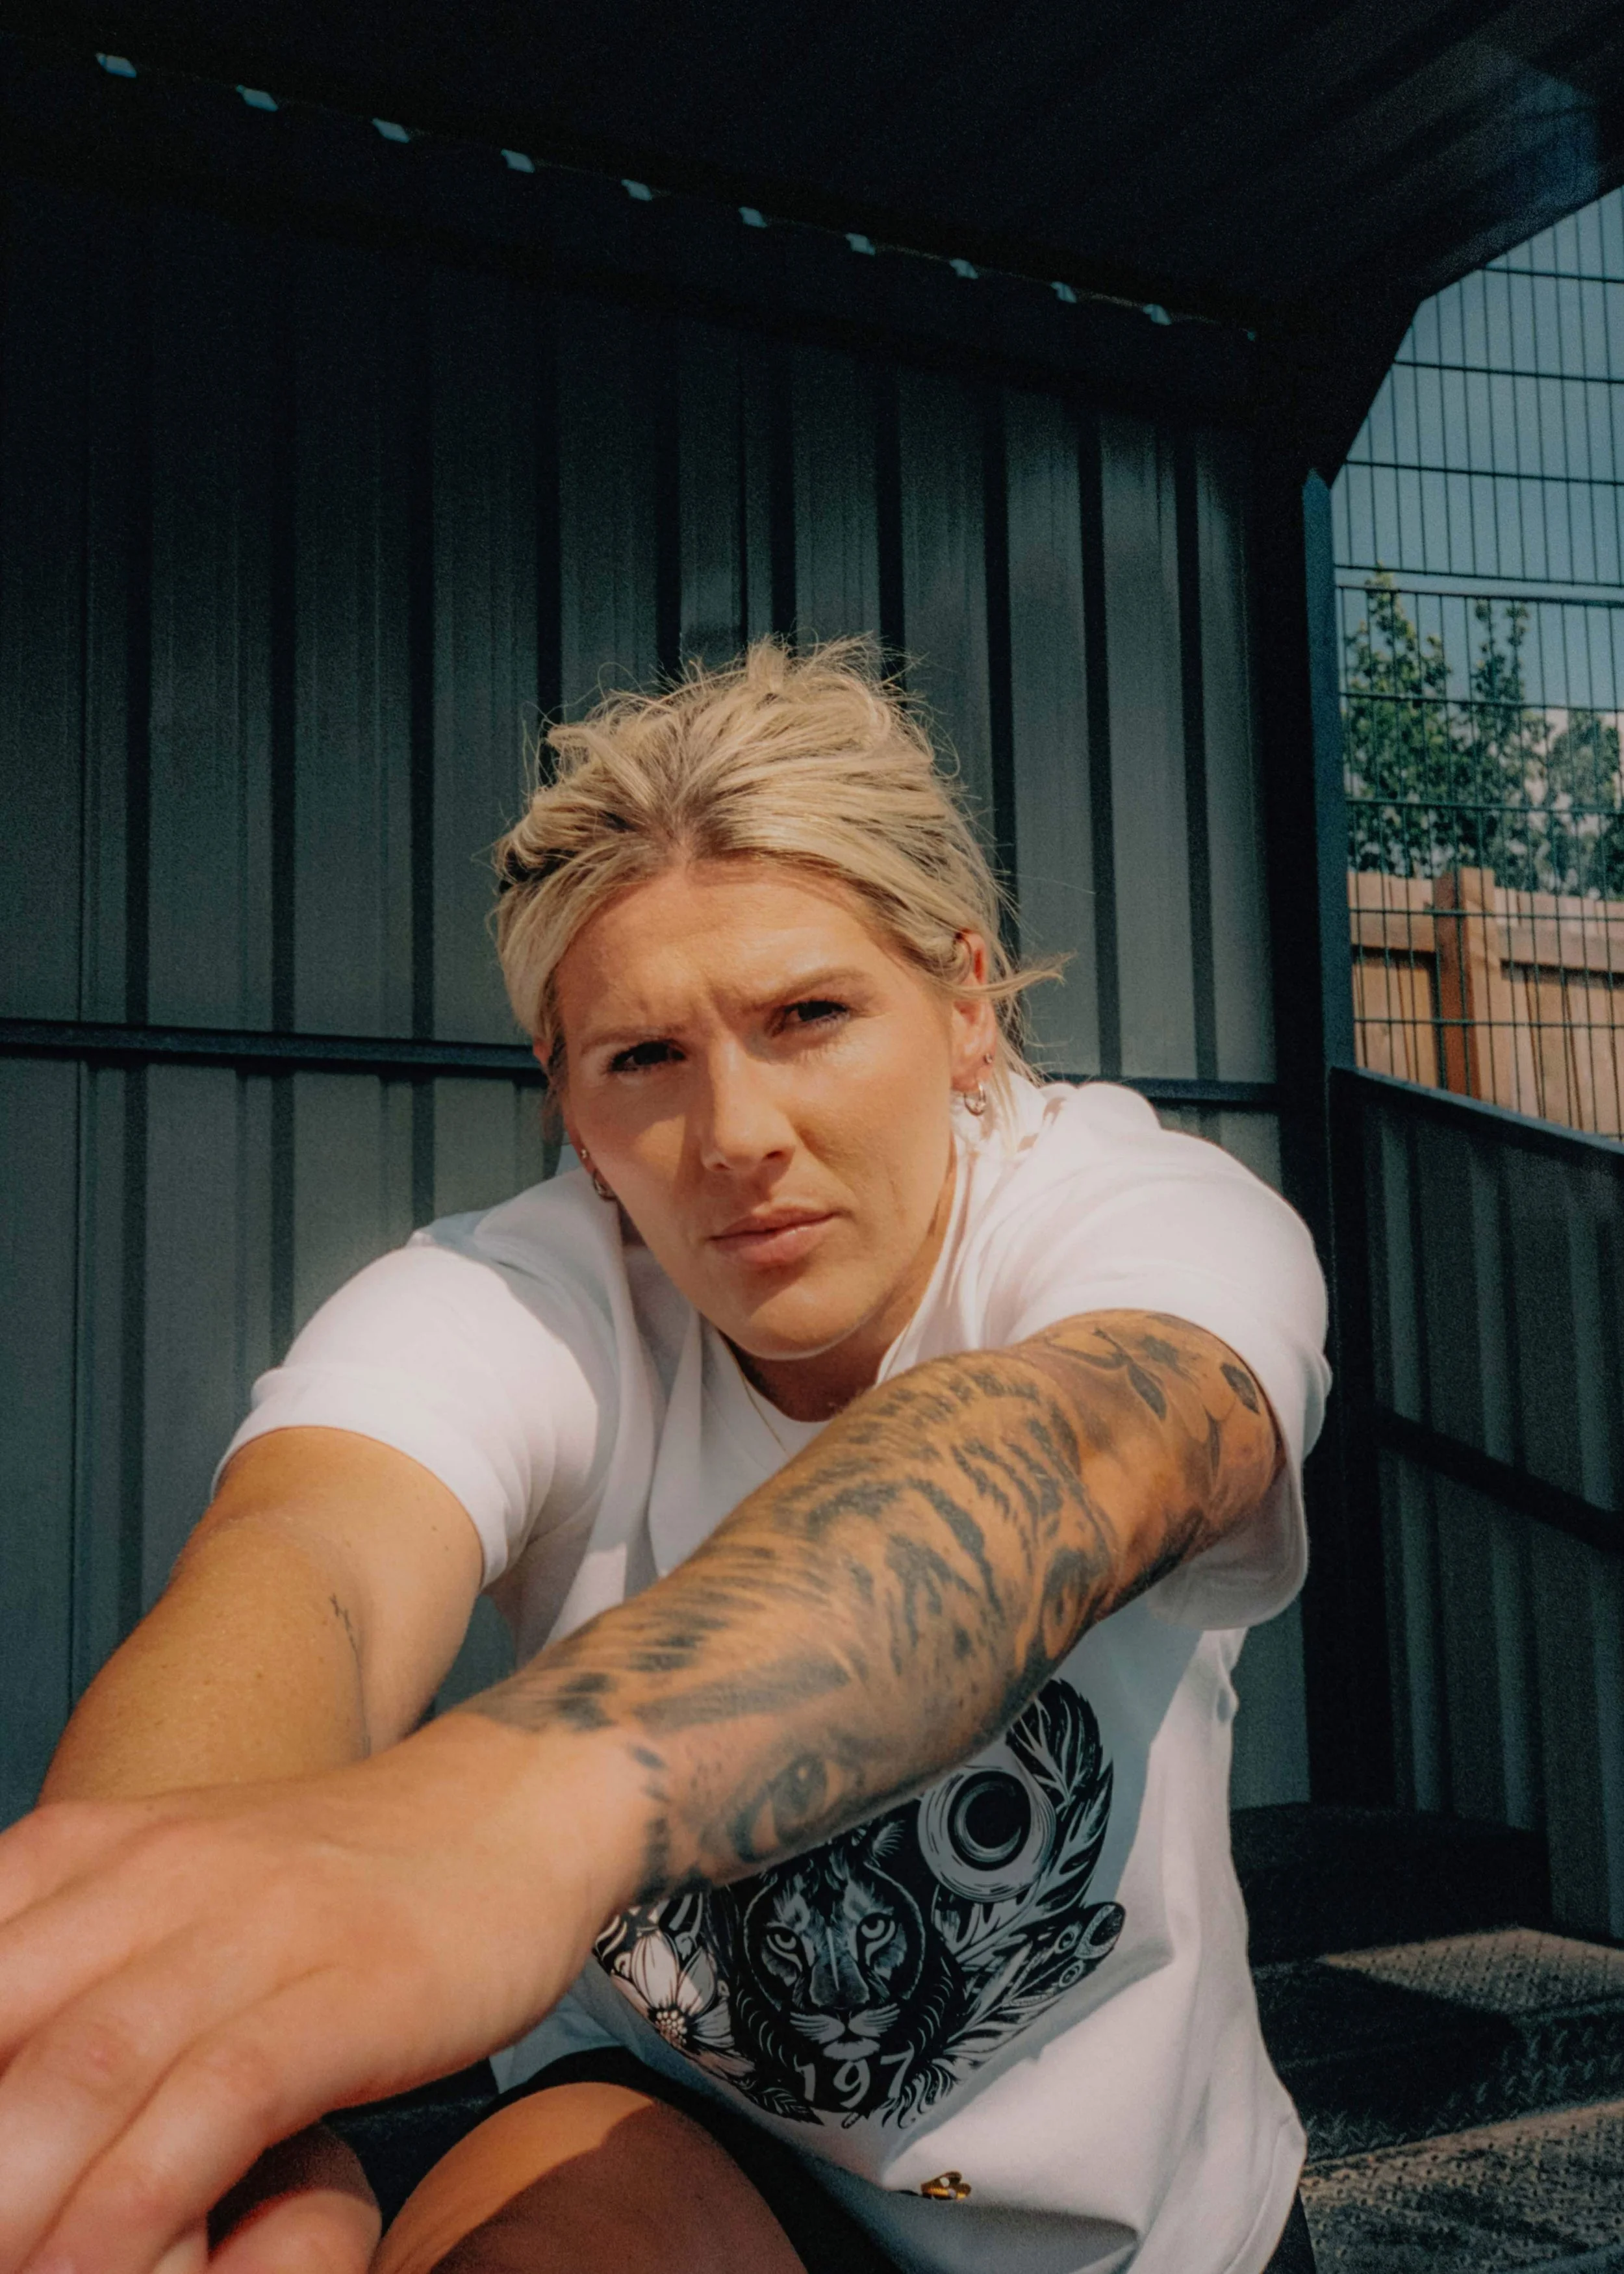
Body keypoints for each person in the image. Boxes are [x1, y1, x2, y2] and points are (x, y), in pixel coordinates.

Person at [6, 640, 1327, 2274]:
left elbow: (1083, 1444)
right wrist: (146, 2074)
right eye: (642, 1059)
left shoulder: (1138, 1217)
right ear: (566, 1100)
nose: (736, 1134)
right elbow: (311, 1567)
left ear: (967, 1008)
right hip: (692, 2156)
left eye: (808, 1017)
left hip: (1160, 2232)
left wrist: (510, 1815)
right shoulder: (513, 1295)